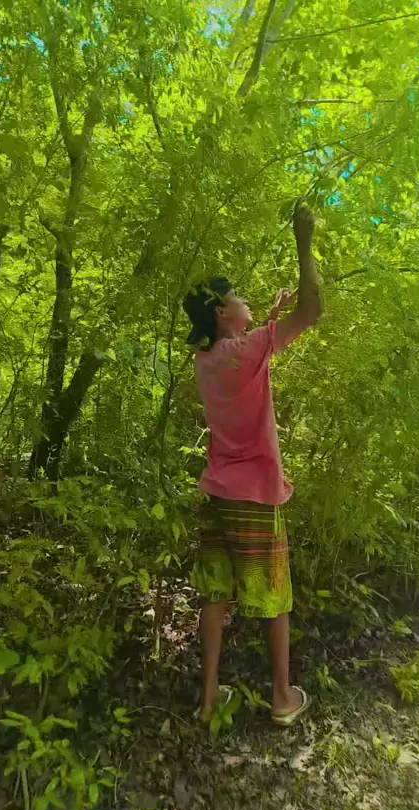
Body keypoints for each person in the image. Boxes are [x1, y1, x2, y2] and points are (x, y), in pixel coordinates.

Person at [183, 205, 323, 726]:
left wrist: (266, 323)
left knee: (215, 592)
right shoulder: (249, 349)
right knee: (273, 594)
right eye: (237, 295)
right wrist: (303, 240)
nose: (245, 299)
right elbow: (313, 310)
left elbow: (244, 353)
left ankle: (209, 697)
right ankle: (282, 697)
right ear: (223, 312)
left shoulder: (207, 360)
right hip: (255, 493)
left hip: (218, 490)